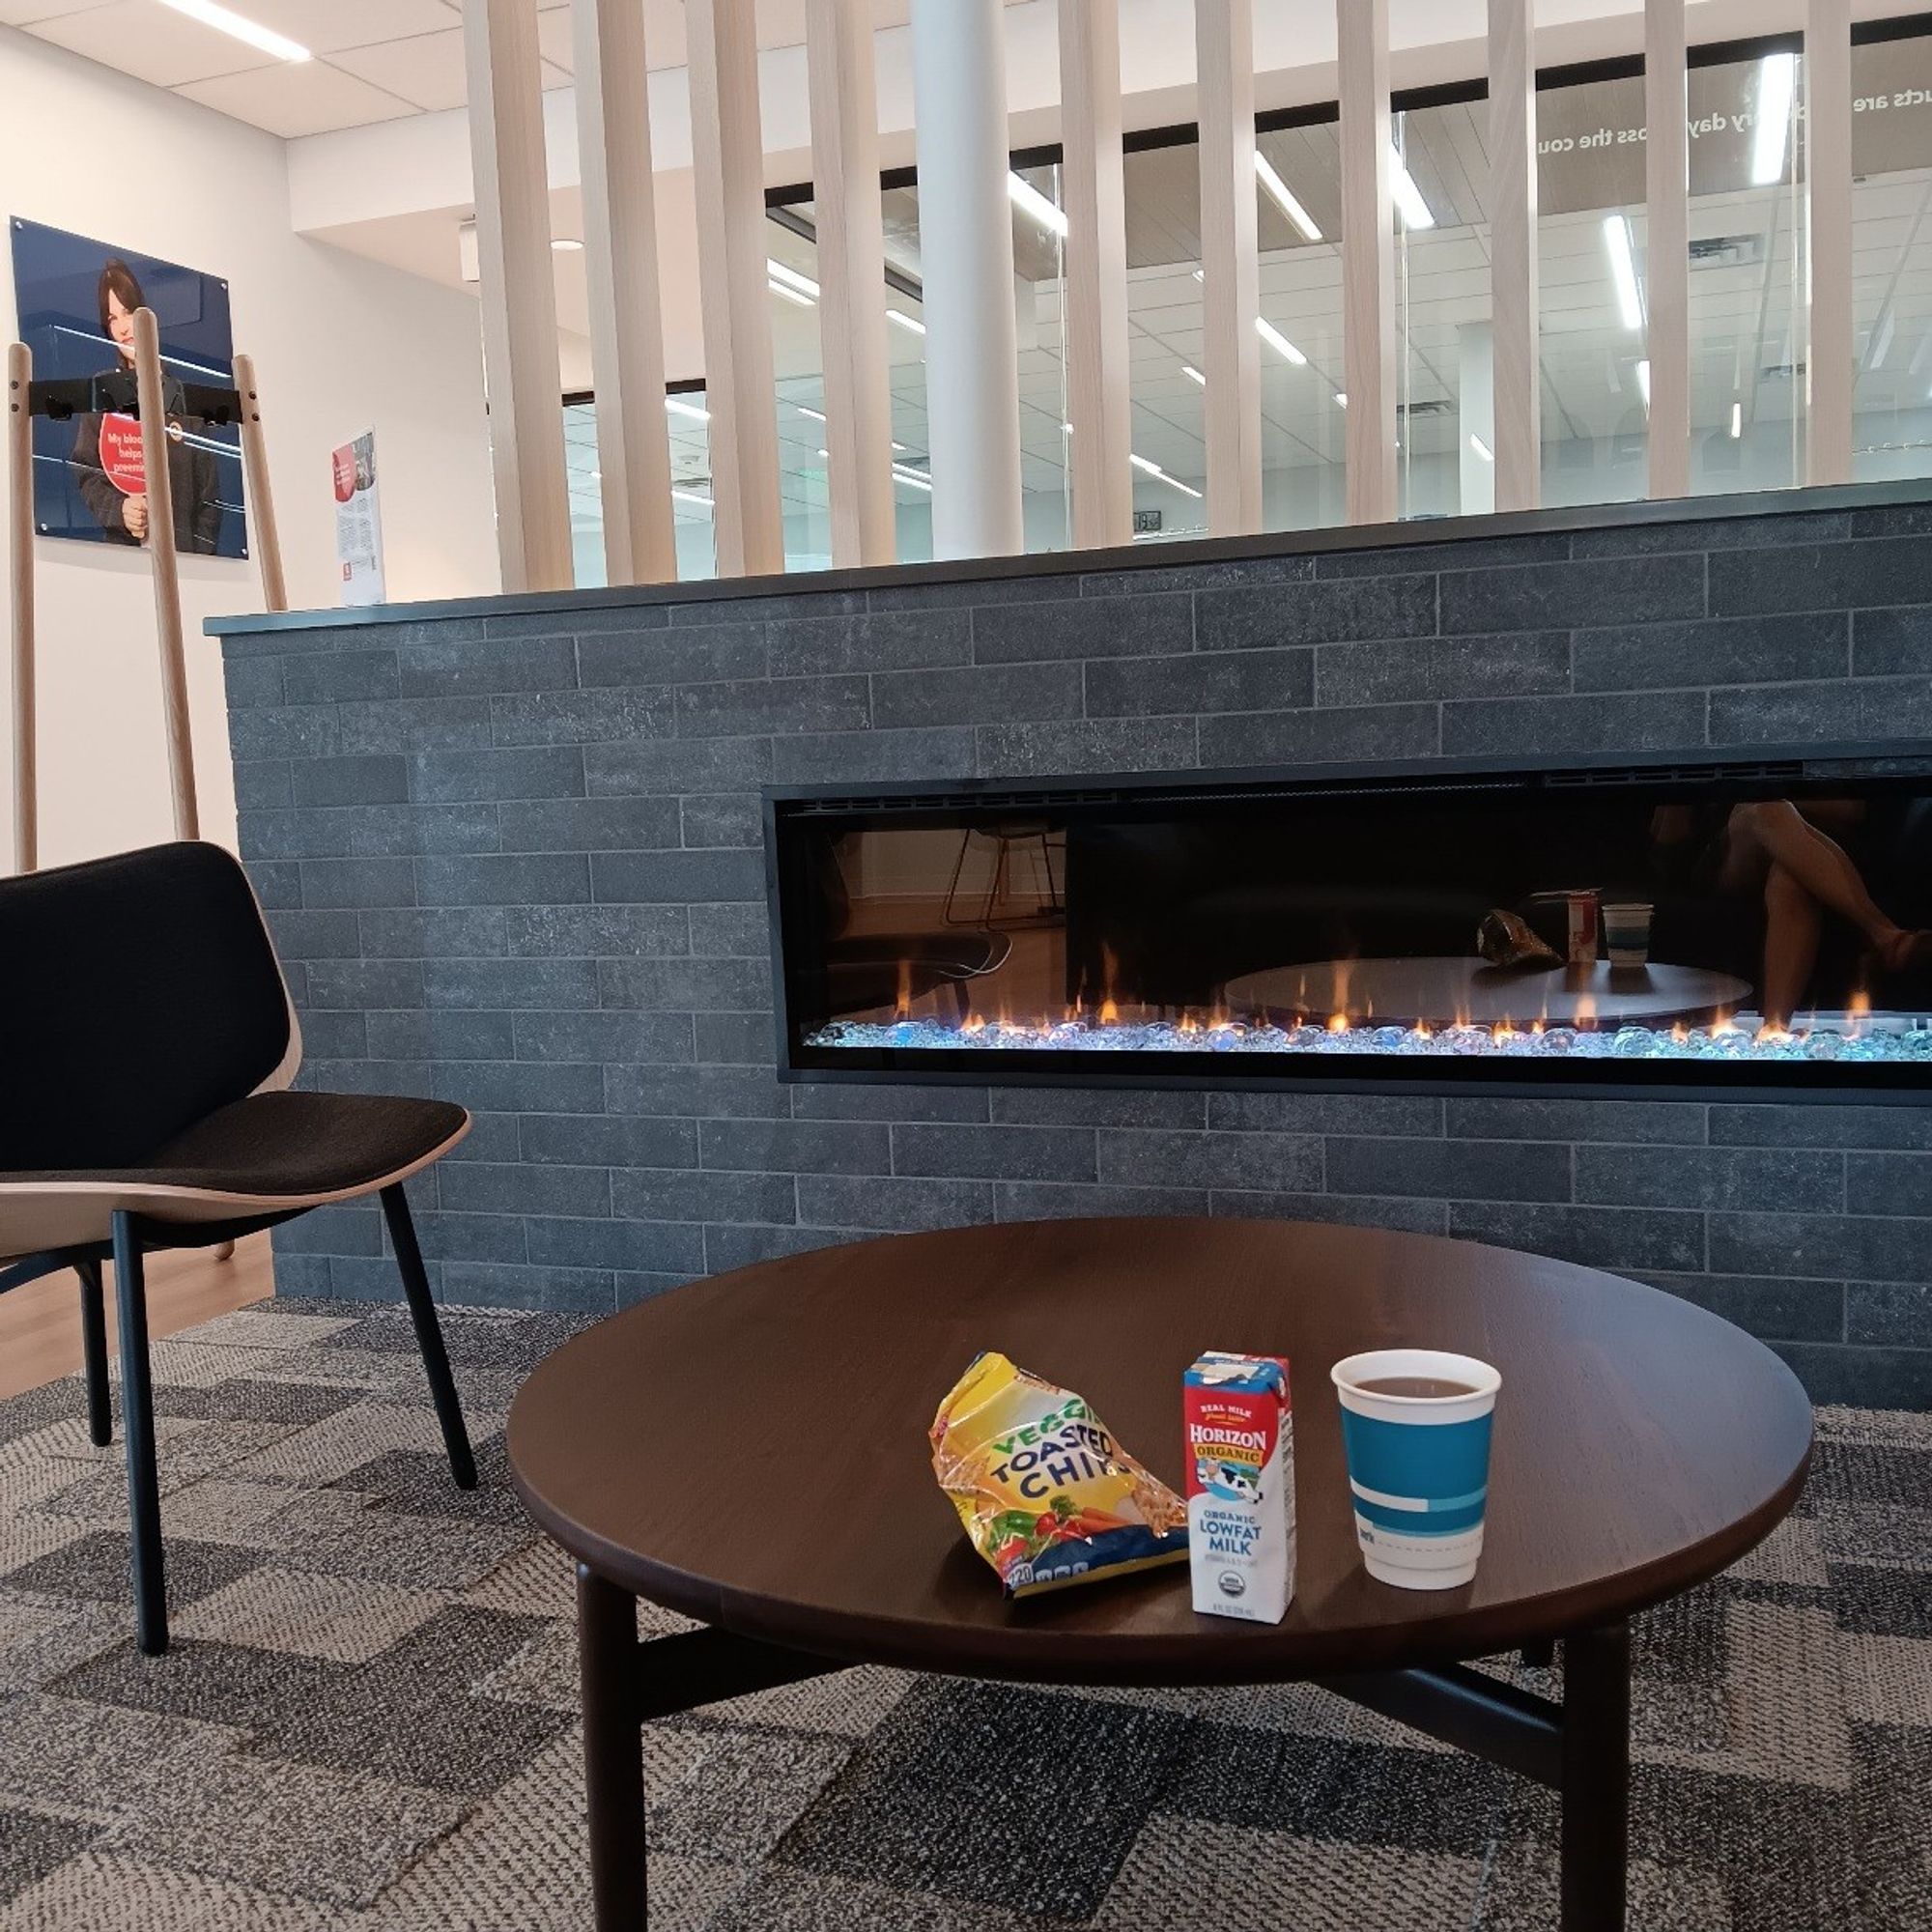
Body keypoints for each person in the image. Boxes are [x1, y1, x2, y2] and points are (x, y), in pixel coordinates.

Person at [1656, 798, 1932, 1027]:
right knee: (1765, 808)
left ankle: (1774, 1031)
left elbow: (1853, 808)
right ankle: (1882, 934)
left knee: (1790, 879)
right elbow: (1670, 840)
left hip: (1820, 842)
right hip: (1733, 851)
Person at [68, 259, 221, 553]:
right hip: (124, 562)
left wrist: (201, 560)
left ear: (148, 314)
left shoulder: (184, 401)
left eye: (127, 312)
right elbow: (86, 474)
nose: (123, 328)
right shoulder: (102, 392)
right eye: (112, 319)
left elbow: (209, 499)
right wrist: (119, 510)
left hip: (188, 566)